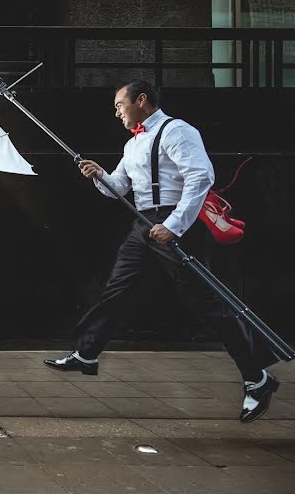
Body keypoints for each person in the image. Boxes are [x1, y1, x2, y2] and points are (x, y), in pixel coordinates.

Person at [43, 80, 280, 423]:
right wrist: (98, 175)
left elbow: (200, 177)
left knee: (208, 303)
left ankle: (257, 378)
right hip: (144, 226)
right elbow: (119, 189)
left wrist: (174, 226)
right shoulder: (133, 143)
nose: (116, 111)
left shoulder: (177, 131)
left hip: (175, 223)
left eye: (119, 104)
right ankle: (86, 353)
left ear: (141, 100)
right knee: (117, 290)